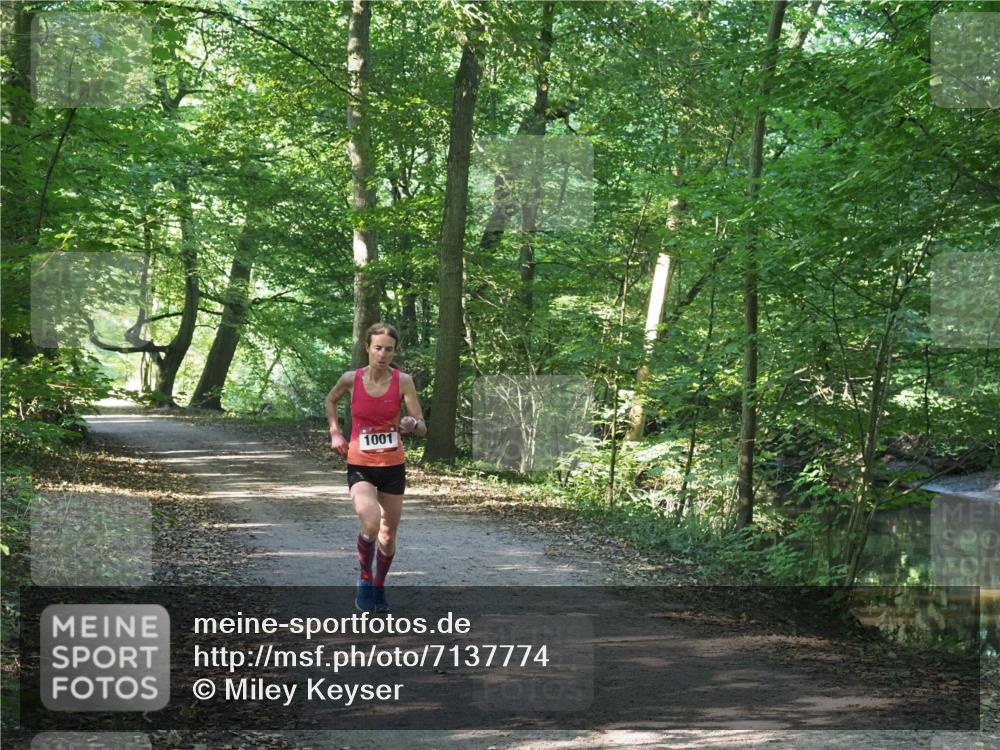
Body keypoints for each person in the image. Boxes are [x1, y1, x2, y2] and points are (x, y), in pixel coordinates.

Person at [325, 323, 427, 613]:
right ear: (367, 348)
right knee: (369, 522)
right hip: (360, 464)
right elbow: (331, 400)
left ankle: (379, 586)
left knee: (387, 535)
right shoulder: (351, 379)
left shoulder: (403, 381)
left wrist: (412, 424)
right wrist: (335, 432)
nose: (383, 354)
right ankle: (365, 579)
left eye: (389, 349)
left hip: (393, 465)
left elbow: (421, 427)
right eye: (378, 347)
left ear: (395, 351)